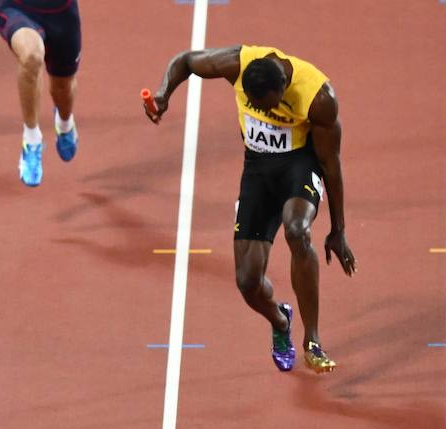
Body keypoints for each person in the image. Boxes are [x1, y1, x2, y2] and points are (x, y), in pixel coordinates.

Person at [144, 45, 356, 373]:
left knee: (296, 230)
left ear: (282, 90)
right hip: (257, 170)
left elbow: (331, 162)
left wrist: (338, 230)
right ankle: (280, 319)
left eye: (266, 106)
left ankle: (312, 340)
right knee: (247, 281)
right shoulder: (239, 65)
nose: (260, 112)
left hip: (298, 164)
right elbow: (186, 61)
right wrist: (162, 95)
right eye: (253, 105)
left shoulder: (318, 97)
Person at [0, 0, 81, 187]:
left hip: (62, 16)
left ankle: (65, 123)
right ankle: (31, 140)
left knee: (63, 87)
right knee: (31, 56)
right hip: (18, 8)